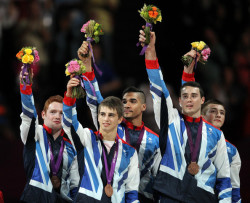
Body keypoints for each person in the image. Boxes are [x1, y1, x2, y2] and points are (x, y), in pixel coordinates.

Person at [138, 29, 232, 202]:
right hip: (169, 195)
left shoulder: (216, 134)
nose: (189, 100)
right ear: (179, 101)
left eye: (194, 96)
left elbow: (225, 178)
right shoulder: (172, 120)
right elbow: (157, 84)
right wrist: (150, 49)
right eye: (185, 97)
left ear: (203, 100)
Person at [77, 41, 161, 202]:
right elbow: (94, 99)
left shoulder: (154, 139)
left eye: (132, 101)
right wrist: (87, 64)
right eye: (124, 102)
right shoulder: (113, 127)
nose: (127, 105)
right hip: (111, 194)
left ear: (144, 106)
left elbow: (158, 175)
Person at [62, 78, 140, 202]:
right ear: (97, 117)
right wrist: (69, 97)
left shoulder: (129, 153)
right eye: (102, 114)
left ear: (120, 119)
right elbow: (69, 122)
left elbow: (131, 192)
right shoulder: (87, 138)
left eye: (111, 115)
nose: (106, 119)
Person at [182, 50, 242, 203]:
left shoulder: (232, 150)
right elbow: (188, 93)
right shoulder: (188, 132)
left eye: (222, 112)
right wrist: (188, 68)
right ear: (201, 114)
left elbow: (234, 186)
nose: (218, 115)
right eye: (213, 111)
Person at [19, 67, 79, 202]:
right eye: (53, 112)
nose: (57, 116)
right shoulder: (35, 135)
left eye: (61, 113)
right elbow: (28, 116)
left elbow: (75, 184)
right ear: (43, 114)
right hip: (34, 199)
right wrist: (26, 87)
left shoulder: (70, 148)